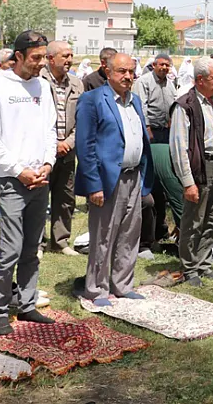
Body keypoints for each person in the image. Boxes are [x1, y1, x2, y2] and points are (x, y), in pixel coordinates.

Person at [0, 30, 58, 335]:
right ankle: (0, 309)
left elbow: (51, 130)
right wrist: (18, 170)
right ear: (19, 57)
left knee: (32, 248)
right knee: (10, 249)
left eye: (43, 57)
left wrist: (49, 163)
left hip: (40, 179)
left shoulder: (43, 86)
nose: (41, 63)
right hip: (12, 180)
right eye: (36, 58)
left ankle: (27, 305)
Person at [75, 53, 154, 305]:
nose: (128, 76)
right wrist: (93, 184)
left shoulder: (135, 101)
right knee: (103, 235)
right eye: (122, 71)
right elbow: (85, 146)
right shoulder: (92, 100)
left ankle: (123, 284)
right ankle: (97, 288)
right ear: (107, 72)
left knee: (130, 234)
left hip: (134, 175)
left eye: (131, 71)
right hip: (107, 179)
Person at [170, 58, 213, 287]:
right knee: (194, 220)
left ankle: (204, 263)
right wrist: (189, 182)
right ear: (200, 80)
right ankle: (190, 268)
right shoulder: (185, 105)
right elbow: (179, 147)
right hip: (201, 167)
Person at [40, 41, 84, 256]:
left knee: (65, 197)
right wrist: (53, 144)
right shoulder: (37, 82)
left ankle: (61, 241)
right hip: (42, 151)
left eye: (71, 55)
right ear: (50, 58)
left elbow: (81, 119)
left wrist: (68, 142)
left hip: (67, 151)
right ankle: (37, 242)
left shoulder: (77, 84)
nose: (69, 60)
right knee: (40, 197)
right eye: (65, 56)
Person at [135, 53, 178, 256]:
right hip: (150, 134)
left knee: (163, 183)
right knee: (151, 183)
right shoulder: (144, 82)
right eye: (161, 64)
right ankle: (146, 234)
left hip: (165, 133)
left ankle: (161, 228)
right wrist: (148, 129)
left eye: (167, 65)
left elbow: (172, 105)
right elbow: (141, 107)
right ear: (154, 65)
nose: (164, 68)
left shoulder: (170, 84)